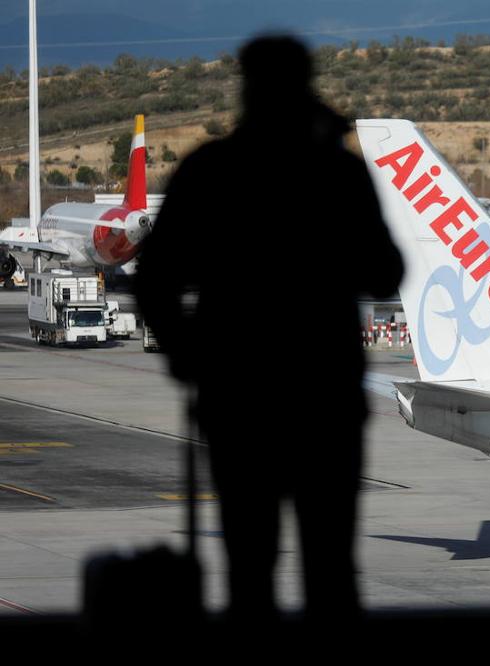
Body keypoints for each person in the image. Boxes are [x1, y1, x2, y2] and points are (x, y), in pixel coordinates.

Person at [136, 34, 402, 626]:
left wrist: (188, 356)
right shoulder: (337, 172)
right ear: (306, 84)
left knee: (247, 571)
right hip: (323, 400)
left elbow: (153, 280)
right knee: (331, 571)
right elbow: (386, 276)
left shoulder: (211, 171)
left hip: (238, 400)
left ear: (246, 86)